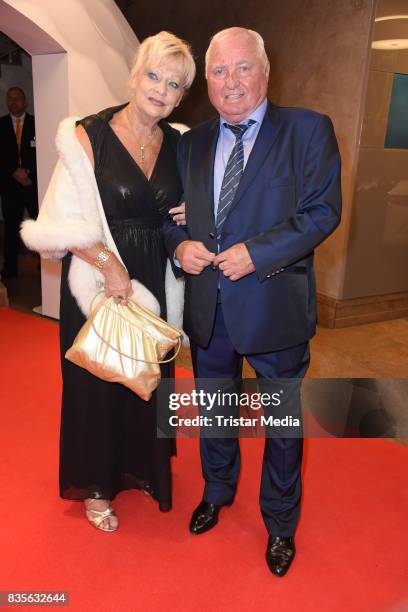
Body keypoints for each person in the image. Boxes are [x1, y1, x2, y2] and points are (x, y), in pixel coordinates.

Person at [163, 27, 341, 576]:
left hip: (275, 310)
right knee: (216, 413)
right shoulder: (189, 143)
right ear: (208, 83)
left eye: (243, 68)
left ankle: (280, 525)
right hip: (208, 309)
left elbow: (321, 213)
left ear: (266, 73)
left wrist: (257, 254)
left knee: (282, 427)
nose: (231, 81)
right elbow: (171, 216)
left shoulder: (308, 130)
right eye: (219, 71)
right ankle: (217, 491)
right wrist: (181, 246)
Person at [21, 31, 195, 532]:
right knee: (95, 383)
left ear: (182, 95)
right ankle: (96, 484)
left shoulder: (180, 143)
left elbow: (186, 212)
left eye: (174, 84)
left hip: (156, 282)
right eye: (154, 76)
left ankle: (143, 469)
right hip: (98, 281)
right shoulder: (86, 135)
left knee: (145, 381)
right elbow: (58, 221)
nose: (160, 90)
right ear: (135, 74)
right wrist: (108, 264)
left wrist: (189, 214)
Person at [0, 87, 37, 280]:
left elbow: (42, 152)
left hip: (32, 185)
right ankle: (10, 271)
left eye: (17, 99)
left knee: (39, 227)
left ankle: (44, 268)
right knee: (11, 229)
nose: (13, 102)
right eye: (10, 99)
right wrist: (14, 171)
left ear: (25, 102)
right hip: (10, 187)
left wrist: (28, 172)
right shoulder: (1, 125)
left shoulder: (36, 123)